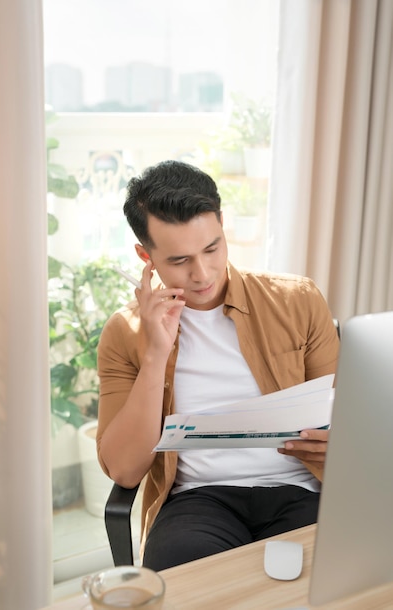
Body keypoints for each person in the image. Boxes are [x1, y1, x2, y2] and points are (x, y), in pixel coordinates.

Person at [97, 160, 339, 571]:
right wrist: (155, 354)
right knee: (186, 577)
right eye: (179, 260)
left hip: (301, 488)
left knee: (330, 576)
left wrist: (341, 442)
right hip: (198, 499)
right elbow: (124, 469)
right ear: (145, 255)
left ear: (222, 225)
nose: (203, 273)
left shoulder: (297, 301)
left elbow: (346, 422)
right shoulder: (125, 332)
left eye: (212, 248)